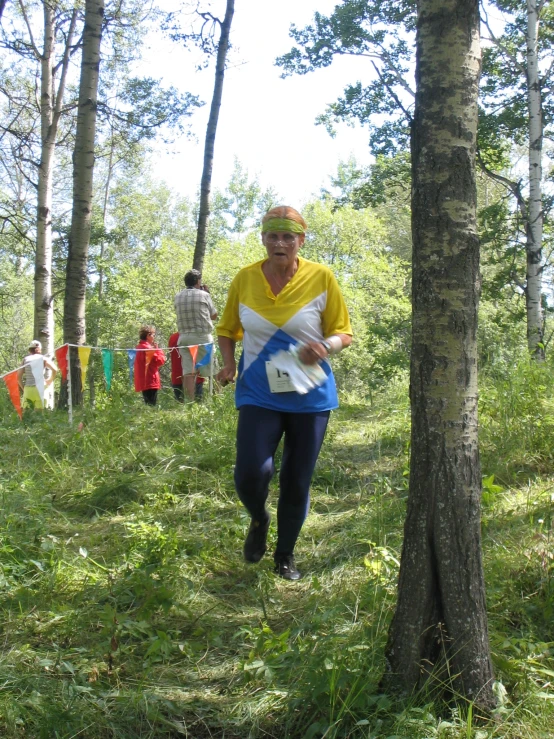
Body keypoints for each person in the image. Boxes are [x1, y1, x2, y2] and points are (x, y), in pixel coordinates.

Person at [216, 205, 353, 580]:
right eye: (273, 236)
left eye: (288, 237)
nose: (280, 243)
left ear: (301, 241)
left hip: (310, 394)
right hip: (259, 391)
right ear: (262, 239)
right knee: (251, 473)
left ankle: (285, 556)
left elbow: (344, 332)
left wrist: (326, 346)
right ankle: (258, 518)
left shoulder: (321, 277)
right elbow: (227, 329)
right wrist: (229, 365)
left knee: (297, 478)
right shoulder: (245, 279)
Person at [174, 270, 218, 401]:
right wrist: (208, 293)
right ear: (198, 281)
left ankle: (190, 402)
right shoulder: (204, 295)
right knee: (212, 368)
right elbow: (214, 315)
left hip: (183, 337)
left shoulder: (178, 296)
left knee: (188, 371)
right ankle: (217, 398)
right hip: (202, 336)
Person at [17, 339, 58, 410]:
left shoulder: (25, 360)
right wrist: (50, 380)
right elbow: (55, 369)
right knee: (39, 415)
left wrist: (23, 388)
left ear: (30, 350)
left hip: (28, 388)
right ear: (40, 349)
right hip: (41, 388)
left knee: (27, 414)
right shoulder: (43, 358)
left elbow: (18, 376)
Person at [168, 331, 205, 401]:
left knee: (180, 406)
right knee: (196, 404)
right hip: (194, 377)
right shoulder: (195, 337)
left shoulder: (173, 337)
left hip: (177, 376)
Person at [134, 325, 166, 405]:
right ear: (148, 336)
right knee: (152, 404)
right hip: (150, 380)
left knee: (147, 404)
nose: (154, 337)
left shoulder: (139, 347)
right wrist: (158, 350)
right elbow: (160, 361)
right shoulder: (148, 349)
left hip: (143, 380)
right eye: (153, 335)